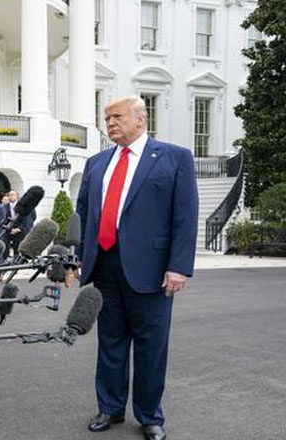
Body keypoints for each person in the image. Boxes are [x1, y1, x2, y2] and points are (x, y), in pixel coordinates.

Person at [76, 96, 198, 440]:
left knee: (151, 346)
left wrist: (178, 267)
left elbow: (184, 217)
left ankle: (149, 416)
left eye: (117, 116)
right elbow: (84, 213)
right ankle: (110, 408)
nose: (110, 123)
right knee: (110, 342)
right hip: (104, 265)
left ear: (140, 119)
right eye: (106, 117)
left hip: (153, 269)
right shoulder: (97, 163)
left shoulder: (174, 158)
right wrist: (78, 257)